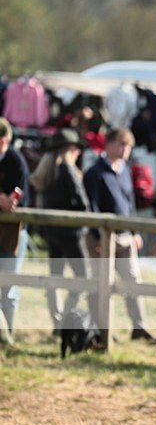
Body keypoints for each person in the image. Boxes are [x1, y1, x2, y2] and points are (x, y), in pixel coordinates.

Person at [83, 127, 155, 341]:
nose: (126, 150)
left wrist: (134, 231)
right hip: (103, 236)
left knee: (133, 281)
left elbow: (129, 203)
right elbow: (92, 207)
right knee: (102, 283)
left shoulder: (125, 170)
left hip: (125, 235)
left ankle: (139, 327)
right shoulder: (95, 173)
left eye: (129, 146)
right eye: (122, 144)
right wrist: (97, 236)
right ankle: (103, 329)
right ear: (109, 144)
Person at [30, 128, 93, 333]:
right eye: (76, 148)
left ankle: (56, 319)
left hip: (52, 232)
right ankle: (65, 320)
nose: (78, 152)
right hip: (72, 234)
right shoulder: (67, 170)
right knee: (84, 278)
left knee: (55, 278)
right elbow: (83, 204)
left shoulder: (47, 172)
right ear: (68, 150)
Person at [0, 117, 30, 337]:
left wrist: (7, 201)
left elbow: (16, 201)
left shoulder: (15, 161)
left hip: (13, 232)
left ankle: (7, 335)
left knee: (9, 286)